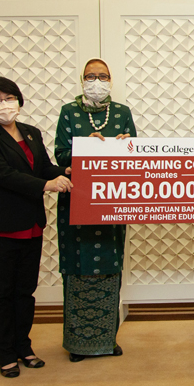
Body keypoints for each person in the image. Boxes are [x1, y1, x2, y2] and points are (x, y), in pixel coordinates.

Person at [0, 76, 73, 377]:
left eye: (8, 97)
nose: (4, 104)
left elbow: (42, 168)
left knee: (25, 292)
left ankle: (24, 347)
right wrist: (47, 184)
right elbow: (4, 176)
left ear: (19, 99)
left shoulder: (30, 132)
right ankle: (6, 355)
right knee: (0, 293)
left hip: (30, 225)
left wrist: (64, 170)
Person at [54, 58, 136, 362]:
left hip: (113, 202)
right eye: (90, 76)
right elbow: (60, 153)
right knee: (78, 268)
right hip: (77, 202)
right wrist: (84, 147)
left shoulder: (123, 113)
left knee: (109, 268)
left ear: (111, 80)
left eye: (103, 76)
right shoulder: (68, 112)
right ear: (81, 79)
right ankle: (77, 344)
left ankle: (106, 340)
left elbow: (136, 155)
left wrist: (125, 147)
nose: (96, 81)